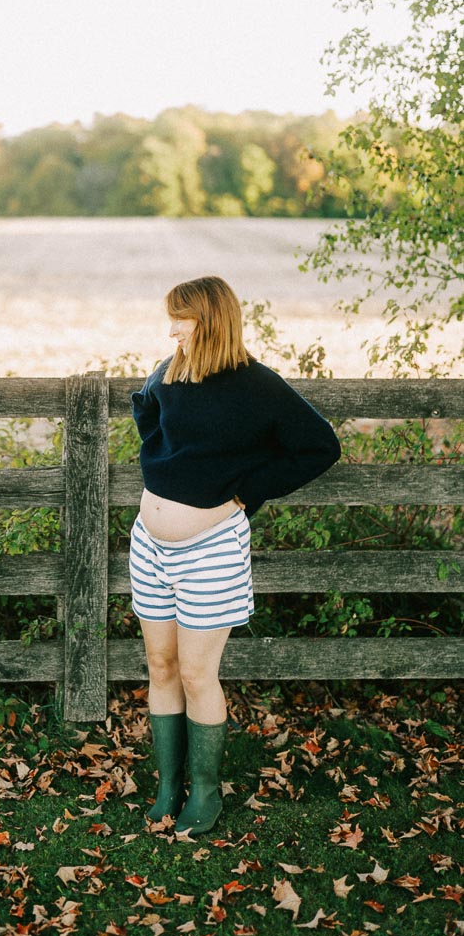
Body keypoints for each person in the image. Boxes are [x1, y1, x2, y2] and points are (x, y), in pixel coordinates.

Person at [130, 276, 340, 836]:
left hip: (211, 549)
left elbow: (320, 446)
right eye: (170, 317)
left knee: (199, 673)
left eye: (182, 318)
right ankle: (168, 785)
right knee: (161, 665)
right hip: (148, 544)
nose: (172, 328)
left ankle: (205, 792)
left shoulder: (257, 385)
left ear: (213, 319)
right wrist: (164, 467)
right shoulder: (170, 370)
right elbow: (148, 417)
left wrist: (247, 489)